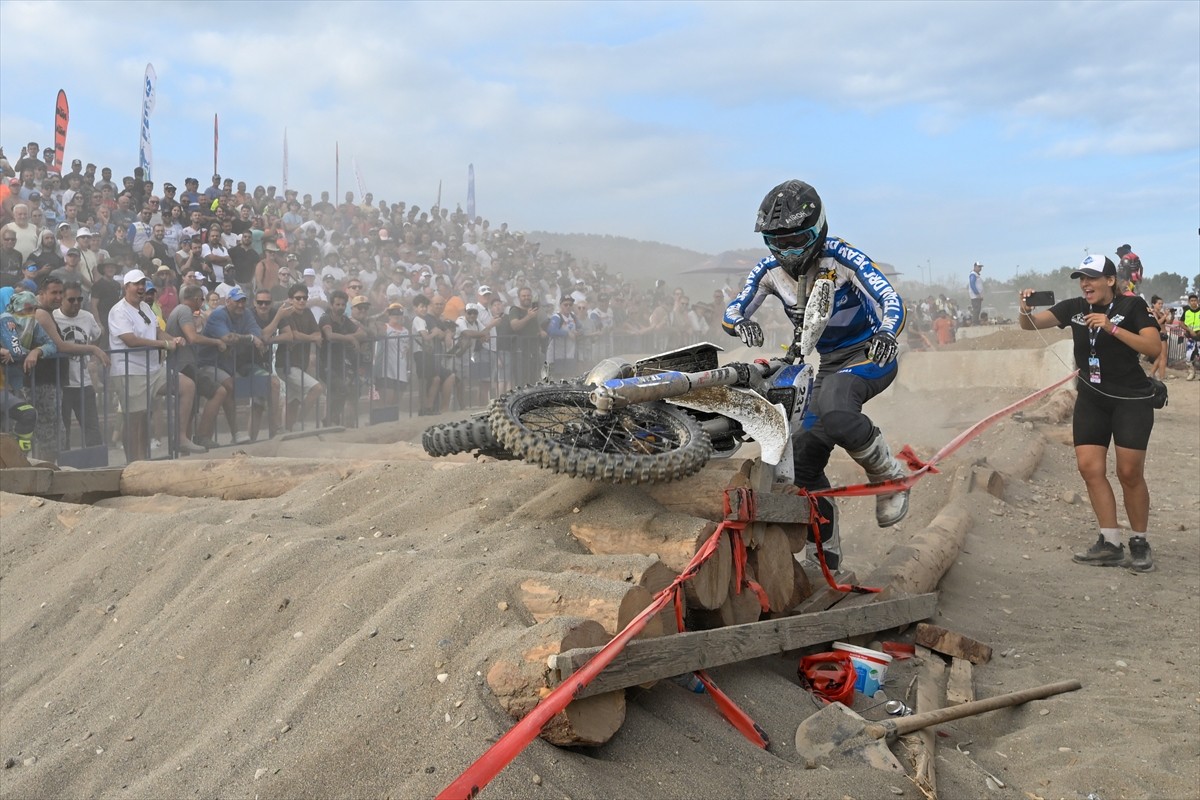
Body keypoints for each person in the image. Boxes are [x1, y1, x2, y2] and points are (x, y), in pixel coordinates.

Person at [722, 179, 908, 569]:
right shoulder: (769, 269)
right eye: (778, 241)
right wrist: (740, 322)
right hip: (828, 363)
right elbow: (735, 306)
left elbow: (888, 297)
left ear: (818, 228)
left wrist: (889, 332)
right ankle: (827, 559)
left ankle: (889, 475)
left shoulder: (843, 256)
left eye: (796, 239)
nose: (788, 251)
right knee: (804, 456)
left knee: (837, 410)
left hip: (870, 351)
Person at [1017, 255, 1161, 571]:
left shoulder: (1133, 307)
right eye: (1081, 278)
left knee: (1129, 473)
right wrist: (1024, 310)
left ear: (1110, 280)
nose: (1085, 284)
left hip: (1131, 400)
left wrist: (1111, 328)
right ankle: (1110, 542)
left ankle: (1139, 542)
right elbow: (1030, 325)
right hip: (1092, 399)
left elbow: (1153, 348)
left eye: (1092, 278)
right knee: (1089, 468)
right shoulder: (1074, 308)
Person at [108, 269, 205, 461]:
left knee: (187, 386)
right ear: (126, 287)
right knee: (136, 420)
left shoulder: (145, 307)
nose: (141, 287)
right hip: (130, 371)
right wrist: (164, 344)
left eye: (143, 283)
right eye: (137, 284)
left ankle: (180, 438)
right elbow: (131, 340)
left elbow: (158, 331)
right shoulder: (118, 311)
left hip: (153, 369)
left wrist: (173, 339)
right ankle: (135, 462)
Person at [53, 282, 104, 448]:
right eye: (71, 299)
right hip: (62, 383)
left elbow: (98, 334)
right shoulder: (53, 317)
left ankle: (96, 466)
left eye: (79, 299)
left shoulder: (87, 317)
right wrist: (92, 349)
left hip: (84, 382)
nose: (76, 303)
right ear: (62, 299)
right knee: (63, 430)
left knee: (92, 429)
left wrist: (93, 358)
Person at [1180, 293, 1200, 381]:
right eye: (1191, 301)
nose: (1193, 302)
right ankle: (1191, 372)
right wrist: (1189, 330)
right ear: (1189, 302)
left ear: (1197, 301)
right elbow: (1181, 323)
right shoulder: (1186, 312)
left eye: (1195, 300)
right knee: (1188, 356)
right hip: (1190, 337)